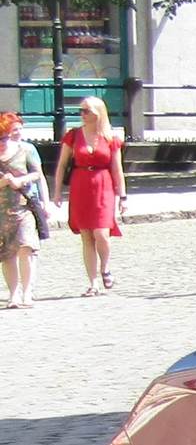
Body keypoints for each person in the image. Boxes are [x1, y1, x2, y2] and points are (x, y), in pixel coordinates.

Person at [52, 95, 126, 296]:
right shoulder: (73, 135)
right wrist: (57, 191)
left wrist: (123, 196)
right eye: (81, 111)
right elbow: (61, 165)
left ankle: (105, 268)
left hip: (103, 185)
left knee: (101, 233)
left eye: (86, 110)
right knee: (86, 236)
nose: (82, 114)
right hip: (80, 184)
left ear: (97, 113)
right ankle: (93, 283)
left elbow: (117, 169)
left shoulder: (111, 138)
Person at [0, 112, 42, 310]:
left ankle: (27, 292)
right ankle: (13, 294)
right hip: (1, 213)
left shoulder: (24, 150)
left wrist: (21, 181)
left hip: (23, 208)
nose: (2, 142)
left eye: (4, 137)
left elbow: (37, 174)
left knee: (25, 248)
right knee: (7, 254)